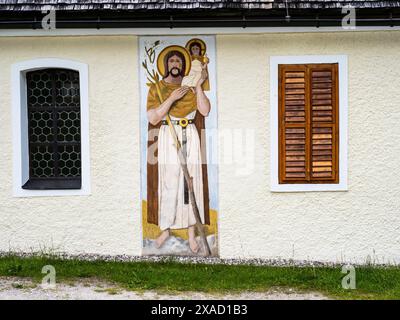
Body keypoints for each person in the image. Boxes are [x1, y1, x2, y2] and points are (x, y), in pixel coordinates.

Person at [146, 46, 211, 253]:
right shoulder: (156, 88)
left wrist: (199, 85)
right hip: (168, 136)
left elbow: (205, 110)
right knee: (169, 181)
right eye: (172, 61)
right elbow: (154, 118)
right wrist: (172, 98)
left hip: (190, 135)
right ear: (166, 64)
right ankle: (166, 229)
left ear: (184, 64)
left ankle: (191, 232)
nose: (176, 64)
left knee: (192, 182)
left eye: (179, 61)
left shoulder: (191, 87)